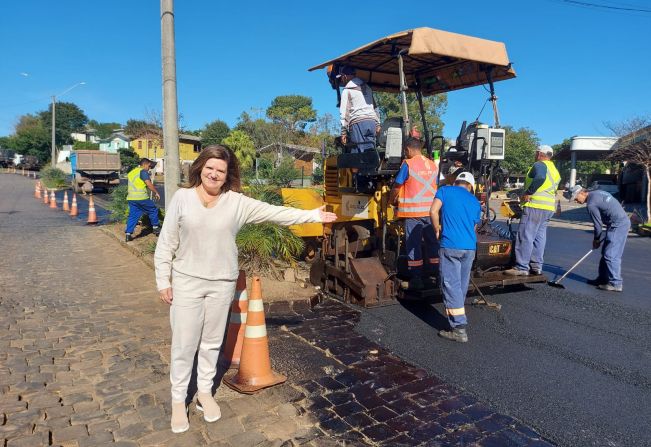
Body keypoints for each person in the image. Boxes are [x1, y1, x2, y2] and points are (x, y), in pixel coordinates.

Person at [154, 145, 337, 433]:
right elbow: (166, 242)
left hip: (222, 283)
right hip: (187, 281)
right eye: (210, 167)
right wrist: (163, 280)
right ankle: (179, 400)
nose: (214, 174)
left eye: (221, 170)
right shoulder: (182, 198)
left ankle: (204, 393)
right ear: (200, 168)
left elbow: (274, 212)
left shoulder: (236, 202)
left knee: (212, 342)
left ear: (228, 176)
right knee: (184, 344)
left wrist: (313, 216)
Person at [430, 172, 481, 343]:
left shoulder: (445, 191)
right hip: (469, 248)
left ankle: (459, 329)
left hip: (451, 245)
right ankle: (458, 317)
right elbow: (474, 226)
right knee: (460, 285)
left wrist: (437, 228)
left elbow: (433, 211)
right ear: (470, 186)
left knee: (450, 285)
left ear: (457, 181)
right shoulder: (475, 201)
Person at [389, 137, 440, 290]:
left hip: (413, 213)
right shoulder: (432, 165)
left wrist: (391, 201)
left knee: (413, 245)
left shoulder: (408, 164)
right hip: (431, 213)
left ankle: (416, 278)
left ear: (409, 149)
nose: (405, 154)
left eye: (406, 151)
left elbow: (397, 186)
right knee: (433, 244)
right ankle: (435, 275)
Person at [505, 145, 560, 276]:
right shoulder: (554, 170)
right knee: (539, 237)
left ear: (540, 154)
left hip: (535, 206)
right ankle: (536, 266)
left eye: (536, 153)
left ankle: (522, 267)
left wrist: (529, 192)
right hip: (547, 208)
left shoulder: (540, 164)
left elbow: (540, 178)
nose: (535, 155)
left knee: (525, 235)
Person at [567, 185, 630, 292]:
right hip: (618, 223)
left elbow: (597, 225)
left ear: (582, 193)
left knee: (611, 255)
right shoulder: (598, 192)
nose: (576, 201)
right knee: (606, 252)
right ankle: (602, 279)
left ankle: (616, 283)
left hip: (618, 225)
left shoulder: (591, 204)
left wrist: (596, 239)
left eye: (576, 198)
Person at [337, 65, 381, 153]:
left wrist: (343, 132)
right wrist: (378, 124)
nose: (341, 80)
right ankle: (371, 167)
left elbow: (344, 112)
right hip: (371, 123)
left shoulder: (347, 90)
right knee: (370, 151)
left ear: (345, 76)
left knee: (358, 154)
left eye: (341, 77)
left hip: (358, 123)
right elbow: (374, 107)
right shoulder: (367, 88)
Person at [125, 158, 161, 242]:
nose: (149, 168)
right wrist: (156, 192)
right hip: (141, 197)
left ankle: (128, 235)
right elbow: (148, 184)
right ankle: (156, 228)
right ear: (145, 164)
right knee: (153, 210)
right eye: (149, 166)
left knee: (133, 215)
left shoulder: (132, 172)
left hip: (131, 198)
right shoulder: (143, 172)